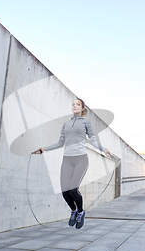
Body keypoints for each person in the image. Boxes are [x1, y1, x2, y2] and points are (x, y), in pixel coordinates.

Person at [33, 98, 112, 229]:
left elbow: (93, 140)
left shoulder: (87, 124)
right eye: (73, 104)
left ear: (82, 108)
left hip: (81, 159)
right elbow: (60, 143)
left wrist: (104, 149)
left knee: (73, 189)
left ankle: (81, 212)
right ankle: (74, 211)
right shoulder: (66, 124)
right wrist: (44, 148)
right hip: (67, 160)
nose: (74, 106)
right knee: (65, 192)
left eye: (77, 104)